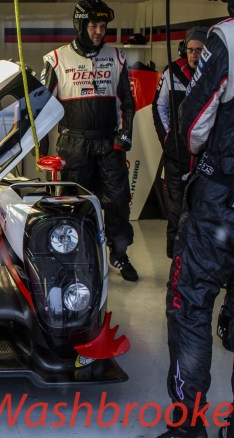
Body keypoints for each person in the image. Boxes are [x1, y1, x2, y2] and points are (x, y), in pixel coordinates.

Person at [160, 0, 234, 436]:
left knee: (189, 303)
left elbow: (193, 126)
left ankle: (189, 424)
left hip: (222, 196)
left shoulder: (226, 36)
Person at [39, 0, 138, 282]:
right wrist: (41, 150)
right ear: (80, 25)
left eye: (103, 26)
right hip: (74, 145)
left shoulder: (117, 57)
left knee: (117, 202)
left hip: (108, 143)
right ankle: (73, 259)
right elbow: (42, 108)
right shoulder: (55, 59)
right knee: (75, 205)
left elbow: (127, 103)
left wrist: (125, 135)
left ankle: (120, 254)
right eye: (93, 25)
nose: (99, 32)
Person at [152, 27, 207, 259]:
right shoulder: (172, 71)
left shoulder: (214, 72)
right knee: (176, 208)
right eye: (191, 50)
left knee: (202, 207)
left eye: (199, 50)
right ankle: (175, 257)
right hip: (176, 154)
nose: (194, 55)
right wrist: (168, 139)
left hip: (205, 155)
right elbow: (159, 107)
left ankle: (198, 255)